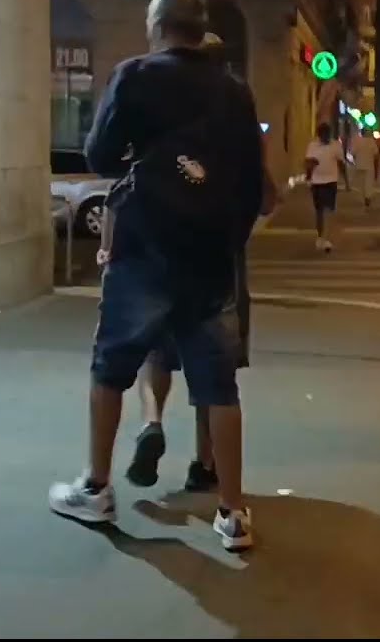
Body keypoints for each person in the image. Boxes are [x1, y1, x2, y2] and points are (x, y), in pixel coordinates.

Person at [49, 0, 264, 552]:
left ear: (156, 25)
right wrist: (227, 239)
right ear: (200, 29)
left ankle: (97, 488)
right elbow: (250, 184)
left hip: (144, 250)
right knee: (218, 385)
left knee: (111, 367)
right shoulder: (235, 93)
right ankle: (233, 512)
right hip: (210, 259)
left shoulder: (135, 75)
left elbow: (98, 156)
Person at [126, 31, 278, 496]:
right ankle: (204, 467)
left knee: (156, 352)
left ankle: (151, 421)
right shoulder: (236, 123)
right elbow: (268, 198)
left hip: (160, 255)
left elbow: (127, 184)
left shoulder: (159, 118)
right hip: (218, 262)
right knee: (213, 371)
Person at [304, 122, 346, 253]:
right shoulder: (312, 146)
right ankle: (320, 236)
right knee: (319, 211)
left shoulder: (336, 145)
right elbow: (309, 163)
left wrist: (347, 181)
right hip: (317, 182)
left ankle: (326, 238)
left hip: (331, 182)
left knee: (328, 210)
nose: (325, 137)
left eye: (327, 134)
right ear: (319, 135)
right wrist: (309, 177)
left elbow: (341, 163)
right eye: (323, 135)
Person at [349, 127, 380, 209]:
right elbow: (376, 153)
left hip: (359, 164)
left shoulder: (357, 141)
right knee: (368, 183)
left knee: (361, 183)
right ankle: (367, 197)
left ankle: (363, 197)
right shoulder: (371, 141)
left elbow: (352, 152)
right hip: (369, 165)